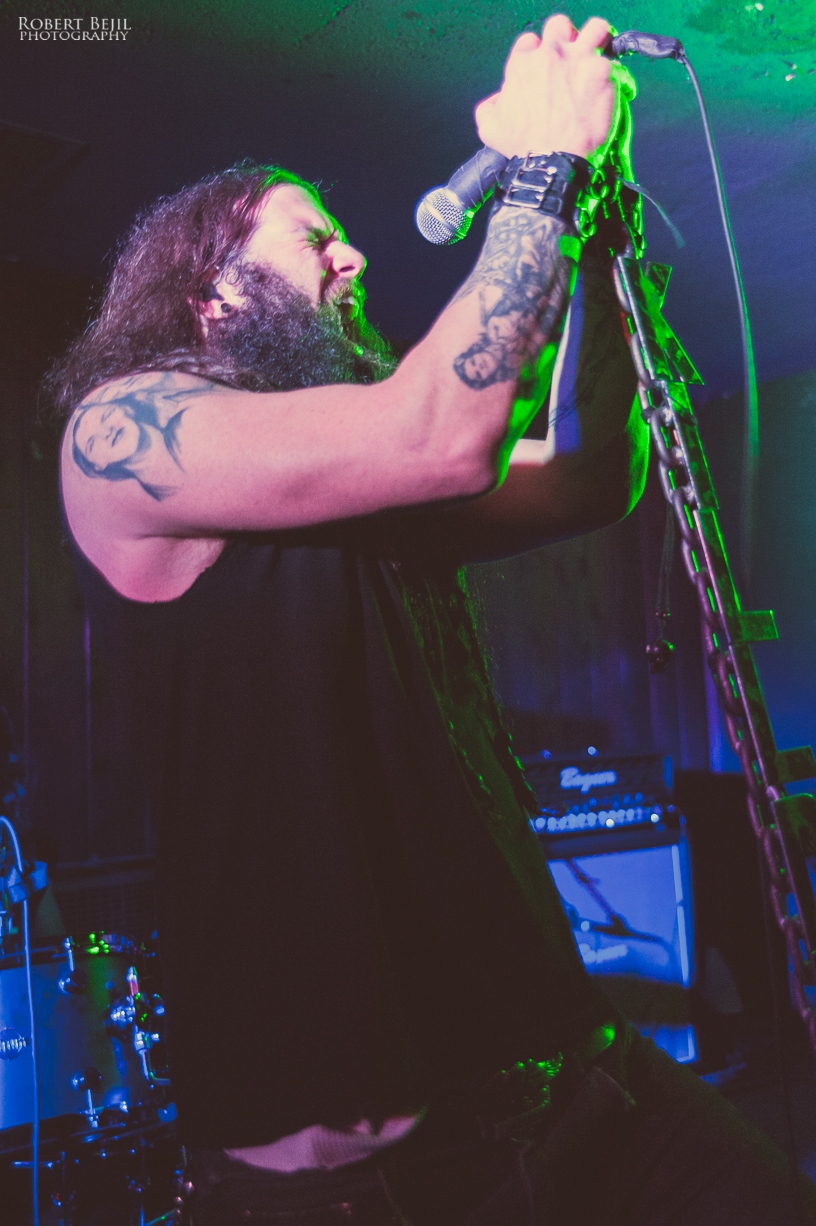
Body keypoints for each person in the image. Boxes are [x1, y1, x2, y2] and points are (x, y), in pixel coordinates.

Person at [53, 14, 816, 1225]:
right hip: (377, 1181)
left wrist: (591, 215)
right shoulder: (125, 433)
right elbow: (441, 429)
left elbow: (582, 476)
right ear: (207, 292)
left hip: (573, 1084)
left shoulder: (378, 480)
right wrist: (537, 171)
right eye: (315, 236)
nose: (353, 257)